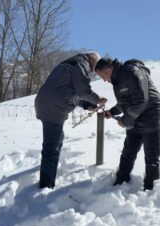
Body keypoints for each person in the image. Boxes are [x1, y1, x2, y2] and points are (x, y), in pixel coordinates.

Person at [35, 51, 107, 189]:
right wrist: (98, 99)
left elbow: (70, 91)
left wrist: (87, 105)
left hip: (46, 103)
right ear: (92, 59)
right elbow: (83, 90)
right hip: (53, 107)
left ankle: (48, 175)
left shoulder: (71, 63)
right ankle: (45, 186)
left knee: (57, 139)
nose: (94, 70)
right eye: (95, 66)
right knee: (51, 148)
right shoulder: (82, 64)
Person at [95, 57, 160, 190]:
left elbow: (141, 100)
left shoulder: (131, 72)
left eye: (103, 76)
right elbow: (125, 102)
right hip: (136, 117)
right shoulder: (117, 81)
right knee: (128, 151)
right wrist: (113, 111)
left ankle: (151, 189)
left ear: (109, 69)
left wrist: (125, 120)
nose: (104, 80)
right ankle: (120, 182)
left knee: (151, 155)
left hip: (152, 115)